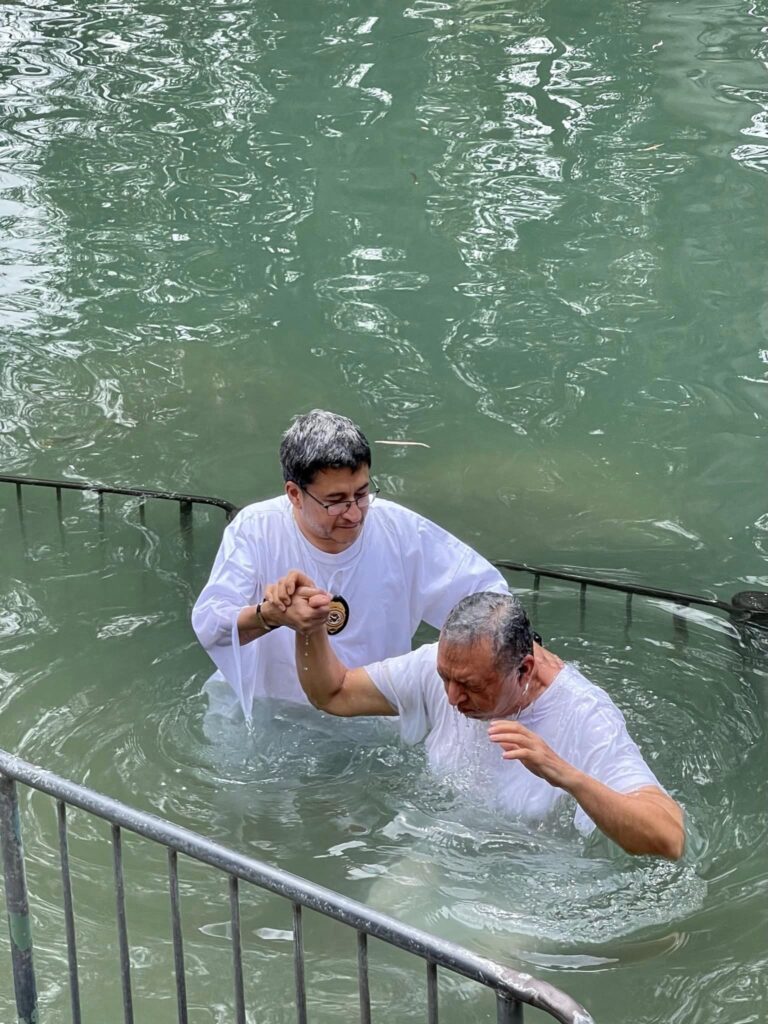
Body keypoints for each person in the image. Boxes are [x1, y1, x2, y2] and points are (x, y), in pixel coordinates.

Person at [281, 587, 685, 859]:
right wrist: (310, 630)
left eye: (471, 686)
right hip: (444, 847)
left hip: (534, 877)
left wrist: (565, 774)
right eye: (446, 679)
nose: (453, 697)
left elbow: (669, 838)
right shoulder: (441, 666)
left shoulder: (584, 715)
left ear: (524, 669)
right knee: (384, 916)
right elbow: (332, 694)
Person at [192, 410, 509, 716]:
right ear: (294, 494)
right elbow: (211, 623)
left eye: (361, 493)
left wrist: (438, 673)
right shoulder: (257, 529)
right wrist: (271, 616)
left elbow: (489, 599)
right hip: (274, 712)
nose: (355, 513)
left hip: (370, 714)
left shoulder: (400, 530)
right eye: (335, 501)